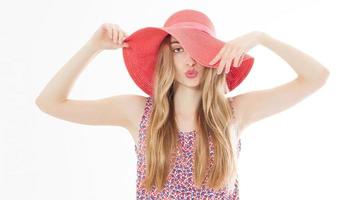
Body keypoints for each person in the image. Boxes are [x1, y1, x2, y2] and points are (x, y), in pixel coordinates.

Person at [35, 9, 329, 199]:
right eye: (178, 49)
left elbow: (316, 77)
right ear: (166, 58)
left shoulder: (234, 112)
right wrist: (92, 48)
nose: (189, 60)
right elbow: (50, 102)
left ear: (212, 57)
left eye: (198, 49)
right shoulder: (138, 112)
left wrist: (262, 38)